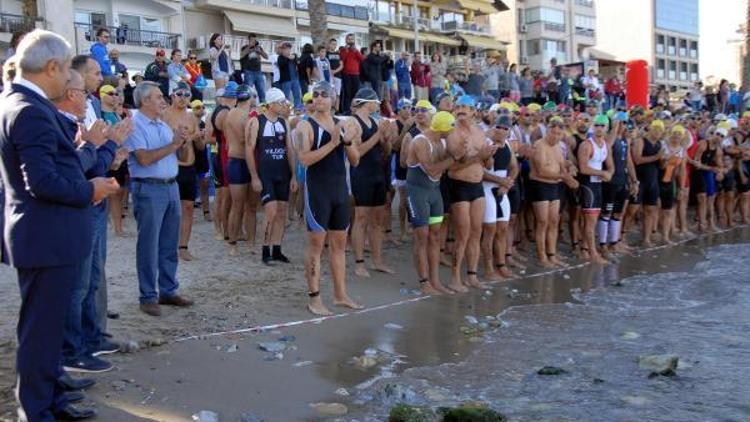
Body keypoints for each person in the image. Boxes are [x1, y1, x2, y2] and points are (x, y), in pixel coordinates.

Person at [0, 29, 121, 420]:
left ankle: (50, 401)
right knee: (40, 332)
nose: (71, 75)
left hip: (48, 235)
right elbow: (43, 181)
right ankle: (36, 411)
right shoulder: (28, 109)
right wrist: (92, 190)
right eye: (67, 67)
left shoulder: (23, 103)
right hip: (45, 236)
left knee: (47, 330)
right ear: (52, 67)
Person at [124, 81, 195, 317]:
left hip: (169, 186)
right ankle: (148, 295)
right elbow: (144, 159)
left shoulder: (161, 124)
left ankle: (167, 290)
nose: (163, 100)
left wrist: (182, 141)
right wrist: (174, 143)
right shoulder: (134, 125)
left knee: (167, 243)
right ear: (144, 101)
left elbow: (181, 156)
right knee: (149, 245)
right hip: (149, 188)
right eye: (158, 97)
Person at [296, 80, 363, 315]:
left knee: (339, 245)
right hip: (318, 192)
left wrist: (345, 142)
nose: (320, 98)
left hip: (339, 191)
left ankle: (340, 294)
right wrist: (333, 142)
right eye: (316, 94)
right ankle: (314, 298)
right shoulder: (305, 127)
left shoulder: (342, 124)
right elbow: (304, 160)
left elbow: (355, 160)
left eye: (325, 94)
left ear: (333, 98)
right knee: (316, 245)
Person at [445, 95, 498, 291]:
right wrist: (479, 156)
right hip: (459, 185)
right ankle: (455, 277)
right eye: (457, 106)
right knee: (463, 234)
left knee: (477, 232)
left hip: (477, 186)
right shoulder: (453, 133)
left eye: (465, 107)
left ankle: (472, 275)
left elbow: (486, 163)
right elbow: (453, 167)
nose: (460, 110)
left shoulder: (480, 133)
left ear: (473, 111)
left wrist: (489, 157)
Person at [405, 111, 457, 294]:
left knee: (435, 236)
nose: (453, 132)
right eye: (451, 128)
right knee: (422, 237)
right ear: (443, 129)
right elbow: (433, 171)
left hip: (434, 193)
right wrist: (454, 157)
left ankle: (435, 280)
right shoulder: (420, 142)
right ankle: (424, 281)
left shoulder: (442, 141)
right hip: (417, 192)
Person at [247, 87, 297, 263]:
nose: (284, 106)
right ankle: (265, 249)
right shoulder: (256, 122)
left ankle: (277, 249)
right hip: (265, 173)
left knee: (282, 212)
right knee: (271, 210)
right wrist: (254, 176)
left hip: (282, 172)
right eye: (282, 102)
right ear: (271, 104)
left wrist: (293, 176)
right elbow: (249, 150)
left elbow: (290, 150)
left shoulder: (284, 122)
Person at [349, 87, 395, 277]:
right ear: (367, 102)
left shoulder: (375, 122)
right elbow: (357, 152)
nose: (378, 105)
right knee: (361, 219)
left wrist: (385, 138)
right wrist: (378, 135)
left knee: (378, 220)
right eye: (376, 102)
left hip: (378, 174)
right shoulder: (354, 123)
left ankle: (377, 261)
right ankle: (359, 263)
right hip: (362, 174)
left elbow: (387, 151)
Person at [529, 116, 579, 267]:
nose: (555, 136)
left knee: (553, 222)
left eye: (558, 134)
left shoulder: (558, 146)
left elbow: (561, 164)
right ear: (547, 131)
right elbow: (542, 171)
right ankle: (542, 256)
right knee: (542, 222)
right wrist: (565, 177)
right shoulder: (539, 145)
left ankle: (552, 254)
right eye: (553, 133)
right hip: (541, 185)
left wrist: (569, 168)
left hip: (555, 186)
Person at [162, 82, 202, 261]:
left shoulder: (192, 117)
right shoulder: (164, 116)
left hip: (189, 167)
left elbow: (200, 147)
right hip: (171, 166)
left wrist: (198, 137)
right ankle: (168, 245)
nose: (183, 98)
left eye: (187, 95)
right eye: (180, 94)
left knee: (188, 208)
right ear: (172, 95)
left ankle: (183, 246)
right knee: (170, 209)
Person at [480, 114, 519, 280]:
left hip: (502, 190)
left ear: (509, 131)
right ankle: (489, 268)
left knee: (503, 229)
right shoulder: (486, 144)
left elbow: (514, 167)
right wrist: (501, 181)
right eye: (498, 127)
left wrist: (507, 183)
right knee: (490, 230)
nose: (501, 131)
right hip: (487, 189)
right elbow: (479, 172)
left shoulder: (508, 145)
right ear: (492, 127)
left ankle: (501, 265)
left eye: (505, 128)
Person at [224, 84, 258, 256]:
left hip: (241, 161)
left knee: (249, 205)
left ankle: (246, 242)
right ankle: (235, 243)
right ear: (250, 97)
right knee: (240, 205)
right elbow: (245, 140)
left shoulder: (234, 112)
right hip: (238, 161)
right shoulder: (239, 114)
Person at [577, 114, 614, 265]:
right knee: (590, 221)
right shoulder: (586, 145)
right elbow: (583, 168)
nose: (599, 129)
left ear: (606, 128)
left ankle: (586, 249)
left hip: (598, 185)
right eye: (597, 125)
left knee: (594, 219)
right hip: (588, 185)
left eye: (602, 126)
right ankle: (592, 253)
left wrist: (609, 174)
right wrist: (602, 173)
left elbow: (611, 166)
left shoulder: (605, 144)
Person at [101, 84, 131, 238]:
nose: (115, 96)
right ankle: (111, 225)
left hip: (119, 156)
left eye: (116, 93)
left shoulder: (115, 114)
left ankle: (118, 227)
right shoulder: (100, 114)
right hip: (107, 156)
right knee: (109, 192)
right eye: (111, 93)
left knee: (118, 193)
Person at [210, 83, 238, 242]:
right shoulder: (227, 113)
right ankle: (226, 231)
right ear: (233, 98)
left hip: (218, 154)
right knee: (226, 196)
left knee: (222, 195)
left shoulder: (217, 111)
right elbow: (228, 139)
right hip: (224, 155)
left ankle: (220, 229)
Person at [633, 119, 666, 247]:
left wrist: (664, 160)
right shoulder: (641, 141)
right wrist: (657, 157)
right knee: (632, 209)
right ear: (650, 128)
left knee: (650, 210)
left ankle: (646, 239)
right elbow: (637, 160)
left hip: (653, 180)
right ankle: (621, 237)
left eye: (660, 130)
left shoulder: (659, 145)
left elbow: (661, 166)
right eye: (655, 129)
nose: (657, 132)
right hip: (639, 180)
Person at [658, 125, 688, 244]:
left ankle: (665, 236)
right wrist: (666, 159)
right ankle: (653, 233)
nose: (676, 135)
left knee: (668, 210)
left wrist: (681, 188)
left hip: (670, 181)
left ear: (682, 137)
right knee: (655, 207)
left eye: (679, 134)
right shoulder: (663, 146)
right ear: (670, 134)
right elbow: (660, 166)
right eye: (674, 133)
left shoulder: (682, 151)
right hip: (657, 179)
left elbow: (682, 170)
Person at [339, 33, 364, 114]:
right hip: (346, 74)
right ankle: (346, 110)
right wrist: (346, 51)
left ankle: (355, 110)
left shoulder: (356, 50)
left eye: (352, 39)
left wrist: (356, 51)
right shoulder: (343, 50)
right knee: (347, 93)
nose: (350, 41)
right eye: (349, 39)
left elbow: (362, 59)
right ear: (346, 40)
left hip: (356, 74)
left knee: (355, 93)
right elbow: (342, 59)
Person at [240, 33, 268, 103]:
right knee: (248, 92)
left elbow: (266, 57)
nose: (254, 41)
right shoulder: (245, 47)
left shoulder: (259, 47)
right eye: (252, 40)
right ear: (249, 40)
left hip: (258, 72)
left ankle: (264, 110)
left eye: (255, 40)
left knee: (262, 92)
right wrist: (250, 47)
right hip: (249, 72)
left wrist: (260, 51)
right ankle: (248, 109)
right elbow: (242, 55)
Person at [326, 38, 344, 109]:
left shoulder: (338, 54)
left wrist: (335, 71)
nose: (334, 46)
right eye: (333, 44)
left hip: (338, 76)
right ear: (329, 44)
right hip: (329, 77)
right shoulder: (326, 54)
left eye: (335, 44)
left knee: (337, 94)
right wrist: (331, 72)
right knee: (329, 94)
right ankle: (329, 109)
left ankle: (337, 110)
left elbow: (341, 65)